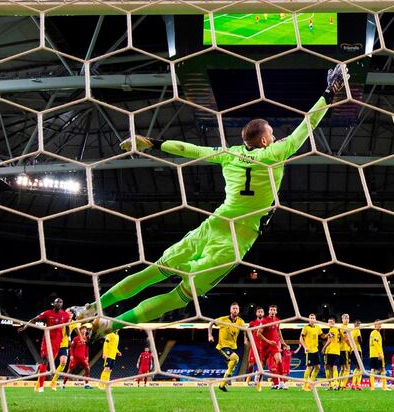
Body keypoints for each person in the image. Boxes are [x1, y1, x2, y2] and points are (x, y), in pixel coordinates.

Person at [73, 65, 349, 335]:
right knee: (177, 297)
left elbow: (190, 149)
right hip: (235, 241)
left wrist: (154, 143)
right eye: (272, 135)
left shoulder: (228, 154)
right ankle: (113, 324)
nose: (276, 137)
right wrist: (329, 92)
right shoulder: (275, 153)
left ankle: (92, 307)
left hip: (213, 225)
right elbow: (307, 124)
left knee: (154, 271)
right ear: (265, 142)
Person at [18, 298, 71, 393]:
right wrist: (25, 327)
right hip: (47, 340)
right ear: (53, 304)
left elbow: (67, 328)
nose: (58, 303)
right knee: (46, 360)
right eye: (57, 302)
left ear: (62, 304)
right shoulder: (47, 313)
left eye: (60, 302)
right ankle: (41, 387)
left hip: (57, 342)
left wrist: (69, 339)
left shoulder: (65, 315)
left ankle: (39, 373)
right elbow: (34, 319)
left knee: (47, 363)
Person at [208, 302, 246, 392]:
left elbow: (245, 330)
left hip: (232, 346)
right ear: (230, 310)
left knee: (233, 362)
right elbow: (211, 323)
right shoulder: (223, 320)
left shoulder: (240, 321)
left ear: (239, 310)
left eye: (236, 308)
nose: (235, 310)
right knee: (235, 359)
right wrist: (210, 335)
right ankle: (229, 376)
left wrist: (245, 339)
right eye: (233, 308)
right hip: (223, 346)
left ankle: (222, 384)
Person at [258, 304, 286, 390]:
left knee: (279, 360)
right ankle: (258, 382)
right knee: (262, 365)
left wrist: (282, 342)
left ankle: (281, 382)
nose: (272, 311)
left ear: (276, 311)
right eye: (271, 310)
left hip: (274, 345)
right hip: (265, 346)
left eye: (274, 310)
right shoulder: (264, 321)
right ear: (269, 311)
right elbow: (258, 334)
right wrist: (269, 341)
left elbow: (278, 331)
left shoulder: (278, 320)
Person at [50, 311, 79, 391]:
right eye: (68, 313)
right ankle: (39, 382)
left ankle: (53, 381)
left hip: (64, 346)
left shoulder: (73, 323)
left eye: (71, 313)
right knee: (47, 362)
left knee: (63, 363)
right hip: (55, 344)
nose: (69, 314)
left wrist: (81, 337)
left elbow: (78, 329)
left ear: (72, 315)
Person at [297, 313, 322, 391]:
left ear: (315, 319)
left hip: (316, 350)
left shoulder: (318, 328)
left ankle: (310, 384)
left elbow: (322, 336)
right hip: (309, 351)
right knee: (309, 367)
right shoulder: (305, 328)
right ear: (308, 319)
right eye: (310, 318)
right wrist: (305, 347)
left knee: (318, 367)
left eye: (313, 318)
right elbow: (301, 339)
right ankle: (304, 386)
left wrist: (328, 335)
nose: (312, 319)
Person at [63, 325, 91, 390]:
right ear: (80, 330)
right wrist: (71, 355)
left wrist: (87, 356)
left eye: (85, 329)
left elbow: (87, 348)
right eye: (82, 329)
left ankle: (86, 384)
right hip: (75, 358)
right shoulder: (76, 338)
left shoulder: (87, 339)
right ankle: (63, 384)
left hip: (83, 358)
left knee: (88, 369)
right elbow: (71, 348)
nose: (84, 330)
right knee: (69, 371)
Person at [246, 306, 265, 387]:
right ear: (256, 313)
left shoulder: (266, 323)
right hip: (254, 346)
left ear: (263, 313)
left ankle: (257, 381)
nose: (260, 313)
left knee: (261, 365)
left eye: (261, 311)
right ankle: (248, 380)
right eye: (259, 311)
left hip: (263, 347)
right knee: (250, 364)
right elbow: (246, 331)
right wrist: (246, 339)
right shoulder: (252, 323)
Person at [322, 317, 343, 390]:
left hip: (330, 351)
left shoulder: (332, 329)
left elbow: (330, 340)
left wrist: (324, 347)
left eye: (331, 322)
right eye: (329, 322)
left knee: (328, 368)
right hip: (337, 351)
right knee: (335, 367)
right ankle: (335, 385)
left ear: (334, 322)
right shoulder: (337, 330)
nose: (330, 323)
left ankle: (331, 385)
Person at [368, 320, 389, 391]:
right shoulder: (375, 332)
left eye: (380, 324)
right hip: (377, 354)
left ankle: (372, 387)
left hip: (373, 353)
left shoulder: (374, 333)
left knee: (373, 369)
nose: (379, 325)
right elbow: (375, 343)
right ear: (375, 325)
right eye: (378, 324)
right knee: (382, 369)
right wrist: (380, 353)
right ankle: (384, 387)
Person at [339, 313, 352, 389]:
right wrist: (351, 347)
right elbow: (346, 338)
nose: (347, 320)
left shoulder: (345, 327)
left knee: (343, 368)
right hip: (345, 349)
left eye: (348, 318)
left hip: (342, 349)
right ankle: (343, 385)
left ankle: (339, 384)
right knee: (347, 368)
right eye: (345, 318)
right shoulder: (344, 327)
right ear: (342, 319)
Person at [349, 320, 363, 389]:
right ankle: (357, 384)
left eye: (359, 324)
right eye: (357, 324)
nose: (358, 325)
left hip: (352, 350)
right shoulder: (357, 330)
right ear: (354, 324)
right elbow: (360, 340)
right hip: (357, 350)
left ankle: (353, 384)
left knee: (357, 367)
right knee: (360, 368)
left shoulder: (351, 331)